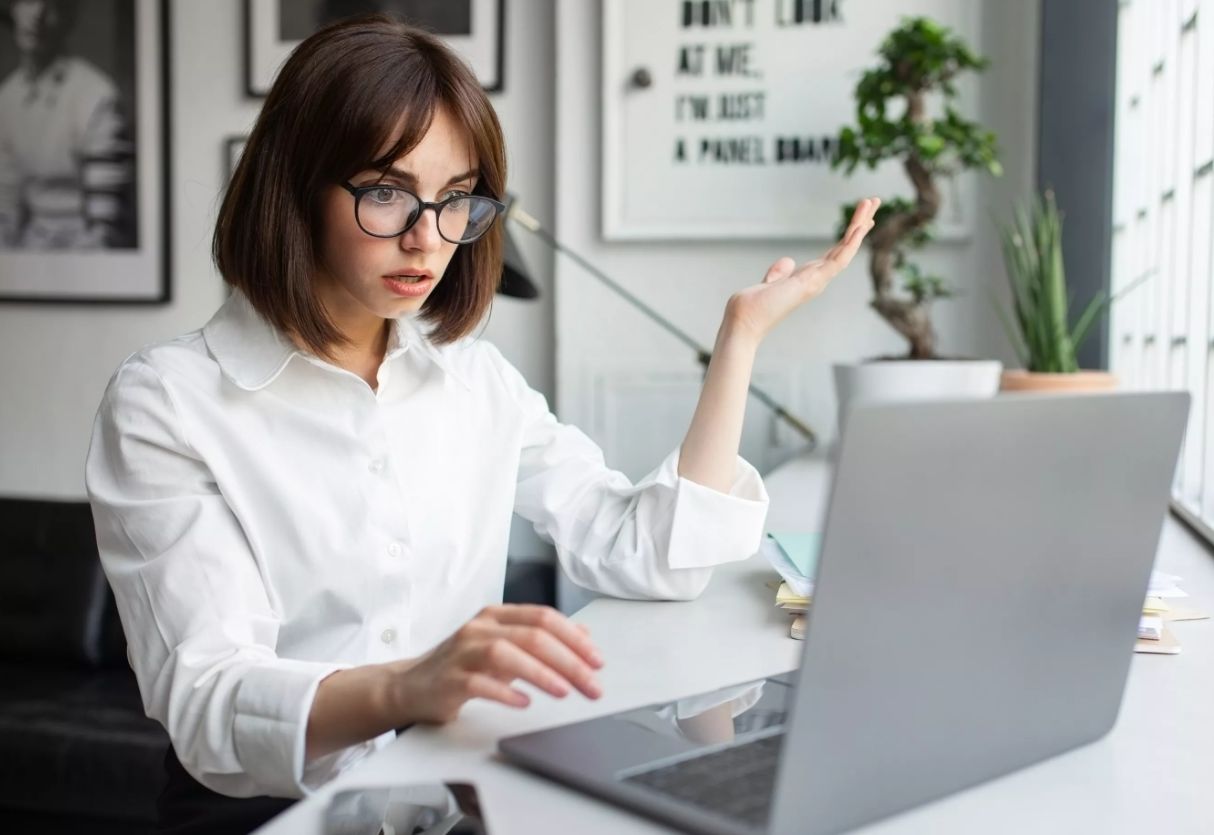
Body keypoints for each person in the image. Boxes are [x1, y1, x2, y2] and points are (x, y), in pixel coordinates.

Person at [84, 15, 879, 835]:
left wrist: (739, 340)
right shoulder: (168, 403)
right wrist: (406, 686)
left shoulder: (475, 381)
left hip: (446, 794)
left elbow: (646, 550)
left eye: (457, 198)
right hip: (268, 815)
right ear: (295, 187)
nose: (429, 240)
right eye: (386, 192)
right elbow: (209, 698)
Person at [0, 0, 136, 249]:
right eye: (28, 1)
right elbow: (6, 208)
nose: (37, 15)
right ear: (13, 10)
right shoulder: (7, 98)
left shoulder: (96, 95)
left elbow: (105, 224)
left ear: (68, 17)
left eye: (51, 4)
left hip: (83, 254)